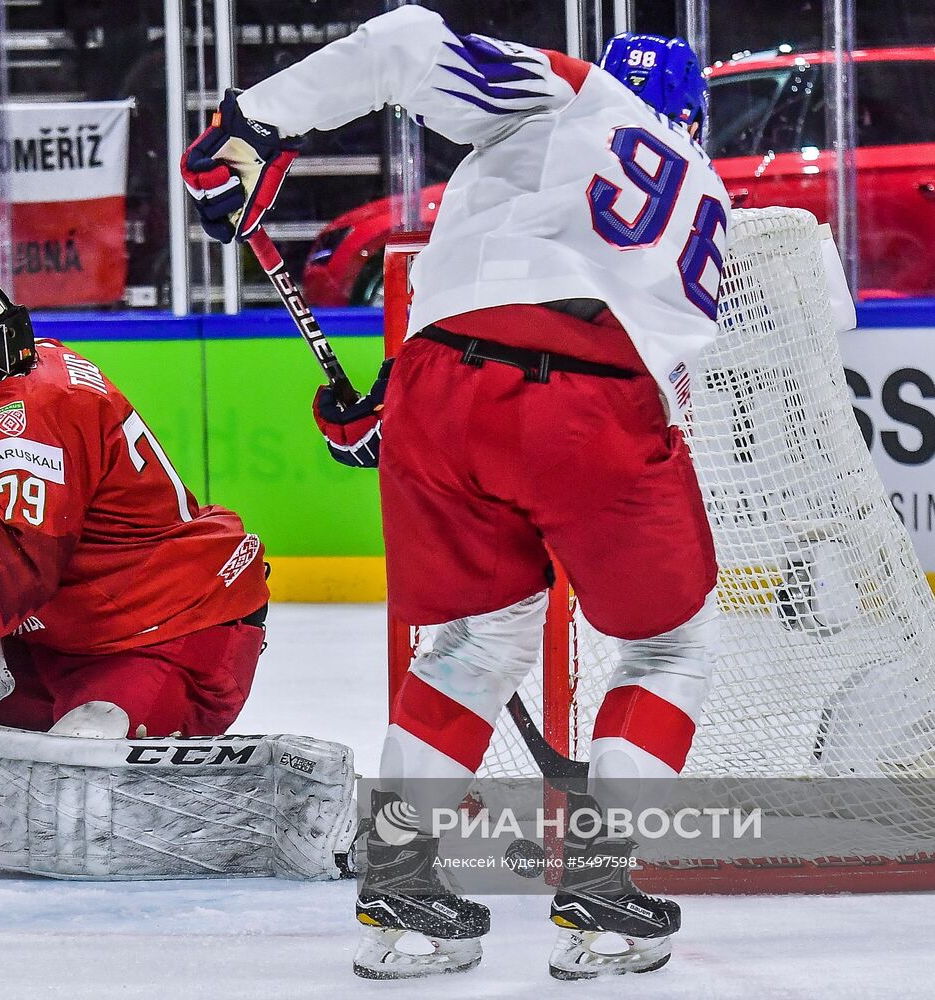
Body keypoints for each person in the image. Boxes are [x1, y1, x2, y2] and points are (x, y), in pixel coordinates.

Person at [183, 9, 728, 981]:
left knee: (476, 643)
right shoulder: (703, 194)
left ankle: (401, 885)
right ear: (688, 119)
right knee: (668, 641)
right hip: (599, 396)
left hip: (437, 389)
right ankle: (604, 887)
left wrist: (254, 121)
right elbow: (644, 374)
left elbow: (403, 42)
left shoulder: (567, 89)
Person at [0, 271, 269, 741]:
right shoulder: (34, 365)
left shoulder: (28, 415)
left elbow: (2, 590)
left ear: (2, 347)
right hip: (83, 635)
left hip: (171, 632)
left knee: (73, 766)